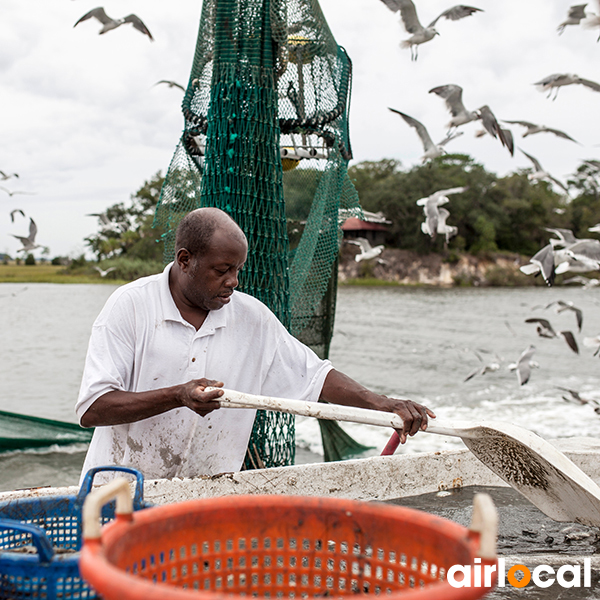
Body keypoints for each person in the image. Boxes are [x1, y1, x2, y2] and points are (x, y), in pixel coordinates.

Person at [76, 207, 435, 481]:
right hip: (120, 498)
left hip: (204, 505)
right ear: (185, 260)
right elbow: (93, 408)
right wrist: (178, 396)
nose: (233, 281)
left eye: (238, 270)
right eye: (222, 270)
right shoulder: (131, 306)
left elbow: (315, 377)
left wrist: (382, 404)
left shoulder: (252, 318)